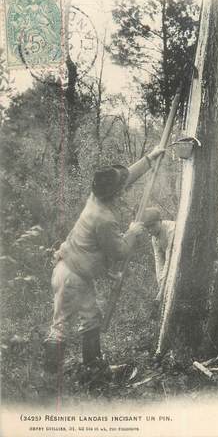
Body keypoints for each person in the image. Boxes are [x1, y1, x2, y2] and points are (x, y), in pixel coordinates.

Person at [44, 147, 164, 374]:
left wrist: (150, 158)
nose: (123, 189)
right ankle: (50, 378)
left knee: (90, 318)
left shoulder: (96, 197)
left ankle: (93, 367)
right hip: (72, 277)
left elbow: (125, 177)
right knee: (61, 326)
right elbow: (119, 251)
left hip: (70, 270)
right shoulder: (104, 218)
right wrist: (132, 232)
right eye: (121, 188)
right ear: (115, 193)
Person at [142, 208, 175, 317]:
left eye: (153, 225)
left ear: (160, 221)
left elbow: (170, 259)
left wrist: (162, 290)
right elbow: (159, 260)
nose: (150, 230)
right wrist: (161, 284)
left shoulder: (171, 230)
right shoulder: (154, 238)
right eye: (148, 227)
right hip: (172, 260)